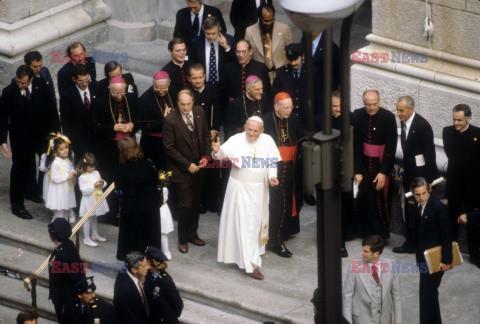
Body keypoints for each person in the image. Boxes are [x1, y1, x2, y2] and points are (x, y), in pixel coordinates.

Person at [213, 116, 281, 280]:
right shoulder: (236, 139)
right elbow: (220, 157)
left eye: (255, 130)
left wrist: (272, 176)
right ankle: (249, 264)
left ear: (262, 131)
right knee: (244, 224)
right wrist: (217, 149)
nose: (251, 133)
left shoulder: (268, 140)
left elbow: (272, 162)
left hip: (260, 189)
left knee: (254, 223)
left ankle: (251, 253)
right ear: (244, 127)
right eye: (248, 129)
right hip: (239, 188)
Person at [0, 65, 60, 219]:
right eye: (18, 82)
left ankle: (48, 198)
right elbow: (2, 117)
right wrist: (3, 140)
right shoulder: (9, 92)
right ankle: (17, 205)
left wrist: (56, 132)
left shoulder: (43, 87)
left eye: (23, 83)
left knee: (48, 164)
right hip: (20, 138)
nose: (20, 85)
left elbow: (52, 109)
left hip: (41, 135)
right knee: (20, 170)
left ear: (31, 79)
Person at [163, 90, 211, 253]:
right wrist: (187, 164)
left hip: (199, 167)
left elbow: (206, 136)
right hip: (180, 170)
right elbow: (169, 149)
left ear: (193, 102)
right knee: (185, 205)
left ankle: (192, 233)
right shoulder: (170, 120)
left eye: (188, 104)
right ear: (177, 103)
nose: (185, 107)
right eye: (182, 104)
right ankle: (182, 238)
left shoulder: (199, 112)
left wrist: (206, 156)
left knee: (196, 203)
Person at [392, 96, 439, 255]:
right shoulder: (404, 122)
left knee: (421, 211)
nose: (398, 113)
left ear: (411, 109)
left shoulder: (422, 126)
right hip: (409, 175)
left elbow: (430, 155)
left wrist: (430, 180)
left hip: (421, 178)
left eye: (401, 110)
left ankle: (421, 244)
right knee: (409, 210)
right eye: (397, 110)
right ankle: (410, 243)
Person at [91, 75, 138, 225]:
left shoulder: (131, 99)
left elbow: (140, 119)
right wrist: (113, 127)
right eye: (115, 93)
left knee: (128, 179)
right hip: (109, 149)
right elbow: (94, 127)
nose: (119, 97)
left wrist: (132, 125)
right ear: (109, 90)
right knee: (111, 179)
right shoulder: (100, 103)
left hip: (129, 148)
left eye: (122, 93)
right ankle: (111, 214)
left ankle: (126, 211)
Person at [262, 92, 303, 258]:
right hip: (272, 170)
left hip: (291, 168)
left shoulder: (293, 118)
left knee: (290, 201)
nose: (289, 110)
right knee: (274, 205)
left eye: (291, 107)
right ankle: (274, 241)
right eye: (286, 108)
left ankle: (285, 231)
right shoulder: (265, 120)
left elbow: (299, 143)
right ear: (276, 107)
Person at [353, 90, 397, 239]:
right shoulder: (358, 115)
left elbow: (391, 148)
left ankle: (380, 234)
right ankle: (365, 232)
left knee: (380, 199)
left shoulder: (388, 117)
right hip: (364, 164)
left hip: (380, 164)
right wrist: (357, 170)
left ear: (379, 101)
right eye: (368, 104)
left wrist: (383, 172)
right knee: (365, 197)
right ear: (363, 103)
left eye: (375, 104)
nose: (371, 108)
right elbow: (357, 144)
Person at [442, 104, 480, 267]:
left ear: (468, 118)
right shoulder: (448, 132)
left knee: (473, 221)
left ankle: (475, 254)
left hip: (473, 186)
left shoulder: (478, 134)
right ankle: (450, 254)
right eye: (454, 119)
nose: (456, 123)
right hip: (455, 185)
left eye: (459, 120)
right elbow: (454, 156)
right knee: (451, 220)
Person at [411, 177, 452, 324]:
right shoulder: (417, 206)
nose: (421, 197)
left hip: (436, 260)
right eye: (418, 194)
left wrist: (446, 260)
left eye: (424, 193)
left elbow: (447, 235)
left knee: (427, 295)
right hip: (424, 259)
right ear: (413, 194)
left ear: (428, 190)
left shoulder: (437, 207)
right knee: (429, 295)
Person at [115, 138, 162, 261]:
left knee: (133, 241)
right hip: (150, 206)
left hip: (132, 209)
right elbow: (156, 182)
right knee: (151, 237)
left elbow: (119, 190)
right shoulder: (148, 163)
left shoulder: (122, 170)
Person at [342, 235, 402, 324]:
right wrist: (347, 322)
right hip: (361, 319)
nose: (362, 253)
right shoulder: (354, 266)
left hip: (384, 319)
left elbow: (397, 295)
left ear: (376, 253)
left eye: (366, 251)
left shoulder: (392, 266)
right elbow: (347, 296)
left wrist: (398, 321)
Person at [188, 63, 222, 213]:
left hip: (211, 134)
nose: (197, 81)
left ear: (205, 77)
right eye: (194, 78)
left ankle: (211, 200)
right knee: (199, 169)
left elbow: (218, 110)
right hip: (194, 137)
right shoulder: (187, 93)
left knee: (213, 169)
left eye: (200, 77)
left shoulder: (211, 90)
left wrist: (215, 129)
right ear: (189, 79)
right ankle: (199, 202)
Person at [48, 218, 86, 321]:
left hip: (64, 299)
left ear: (52, 236)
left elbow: (61, 279)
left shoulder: (61, 256)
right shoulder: (68, 244)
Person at [218, 39, 272, 112]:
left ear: (250, 52)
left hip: (256, 108)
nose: (241, 55)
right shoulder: (228, 68)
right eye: (238, 52)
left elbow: (267, 92)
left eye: (244, 52)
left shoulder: (261, 68)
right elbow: (222, 94)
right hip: (235, 110)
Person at [245, 2, 293, 82]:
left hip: (281, 75)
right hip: (260, 77)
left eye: (271, 20)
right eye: (266, 21)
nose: (269, 23)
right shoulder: (250, 31)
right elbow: (248, 56)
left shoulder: (284, 29)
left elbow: (291, 52)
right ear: (259, 18)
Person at [60, 64, 97, 166]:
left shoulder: (95, 88)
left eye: (87, 80)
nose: (85, 84)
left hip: (96, 136)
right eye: (81, 81)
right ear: (74, 79)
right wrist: (69, 141)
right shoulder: (67, 95)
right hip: (79, 139)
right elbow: (65, 120)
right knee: (83, 166)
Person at [331, 91, 353, 257]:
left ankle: (342, 238)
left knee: (344, 205)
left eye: (340, 106)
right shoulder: (321, 119)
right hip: (328, 168)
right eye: (334, 106)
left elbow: (357, 145)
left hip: (346, 168)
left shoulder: (351, 119)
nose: (338, 109)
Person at [189, 16, 235, 87]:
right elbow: (192, 63)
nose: (210, 36)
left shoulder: (230, 40)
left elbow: (235, 61)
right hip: (203, 86)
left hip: (224, 86)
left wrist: (227, 48)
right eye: (207, 33)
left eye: (213, 33)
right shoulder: (196, 43)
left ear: (219, 31)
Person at [144, 246, 184, 323]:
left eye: (146, 260)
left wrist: (170, 316)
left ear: (152, 262)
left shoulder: (165, 281)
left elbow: (178, 303)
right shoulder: (148, 274)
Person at [77, 153, 109, 247]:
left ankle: (94, 234)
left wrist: (103, 183)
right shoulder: (82, 177)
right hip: (88, 201)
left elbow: (103, 185)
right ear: (85, 166)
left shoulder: (96, 173)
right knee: (88, 219)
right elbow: (84, 191)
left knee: (95, 217)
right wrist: (93, 186)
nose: (93, 168)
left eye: (94, 166)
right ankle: (86, 238)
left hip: (97, 198)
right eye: (91, 166)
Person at [44, 134, 77, 223]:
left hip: (66, 189)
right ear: (55, 151)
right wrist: (67, 176)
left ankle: (65, 228)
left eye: (66, 148)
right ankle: (58, 229)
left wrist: (74, 172)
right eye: (61, 149)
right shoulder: (56, 163)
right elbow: (54, 178)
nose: (65, 150)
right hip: (59, 190)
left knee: (66, 210)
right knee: (60, 212)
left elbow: (71, 169)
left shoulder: (68, 160)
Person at [113, 251, 150, 324]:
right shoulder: (126, 290)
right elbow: (131, 318)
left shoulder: (126, 269)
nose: (148, 267)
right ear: (134, 270)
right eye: (144, 266)